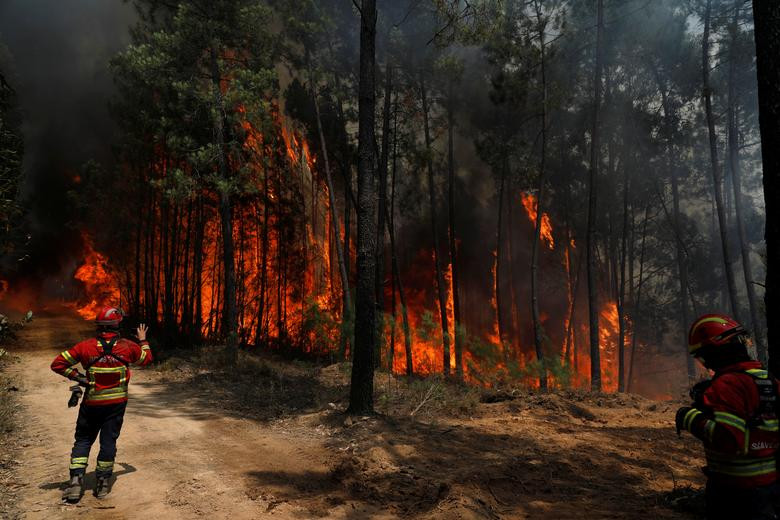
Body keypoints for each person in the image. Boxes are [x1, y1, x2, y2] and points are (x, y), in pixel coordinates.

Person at [675, 313, 779, 520]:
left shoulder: (727, 385)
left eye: (704, 357)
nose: (706, 364)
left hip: (735, 491)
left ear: (715, 351)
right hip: (770, 487)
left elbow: (728, 439)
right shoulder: (769, 380)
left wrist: (689, 417)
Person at [51, 306, 152, 502]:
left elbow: (57, 364)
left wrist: (79, 378)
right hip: (116, 405)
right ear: (117, 325)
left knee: (83, 440)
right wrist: (143, 339)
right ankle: (103, 483)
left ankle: (75, 482)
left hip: (91, 404)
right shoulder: (128, 346)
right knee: (108, 442)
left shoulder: (84, 347)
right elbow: (146, 359)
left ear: (98, 326)